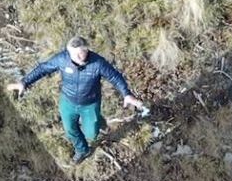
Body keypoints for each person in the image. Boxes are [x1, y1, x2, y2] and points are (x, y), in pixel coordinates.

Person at [8, 36, 144, 164]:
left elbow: (115, 77)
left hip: (90, 104)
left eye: (82, 52)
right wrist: (24, 82)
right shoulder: (62, 59)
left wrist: (126, 94)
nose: (79, 57)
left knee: (92, 134)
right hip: (68, 102)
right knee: (70, 130)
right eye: (75, 54)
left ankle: (99, 122)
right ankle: (83, 151)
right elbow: (43, 68)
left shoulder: (97, 63)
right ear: (68, 52)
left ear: (87, 49)